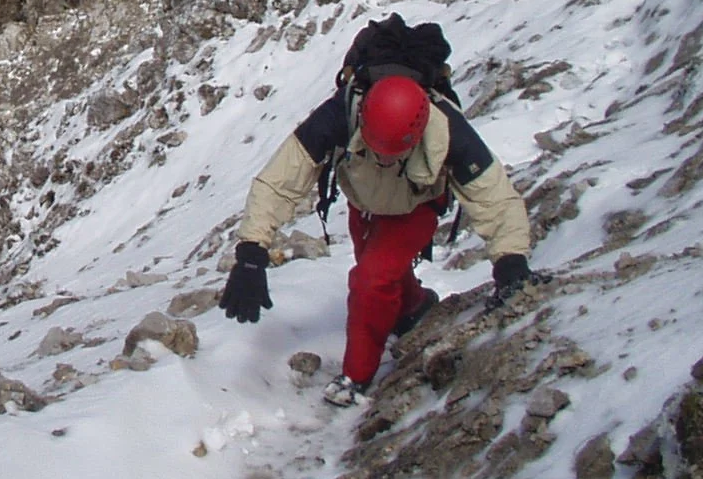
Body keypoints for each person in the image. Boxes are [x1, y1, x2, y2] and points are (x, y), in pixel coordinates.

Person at [218, 73, 533, 406]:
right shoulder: (339, 115)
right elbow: (279, 181)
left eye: (391, 153)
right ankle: (413, 308)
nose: (383, 158)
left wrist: (510, 259)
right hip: (364, 202)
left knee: (371, 281)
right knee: (380, 271)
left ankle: (357, 376)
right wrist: (252, 251)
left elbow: (495, 198)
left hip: (416, 207)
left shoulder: (449, 132)